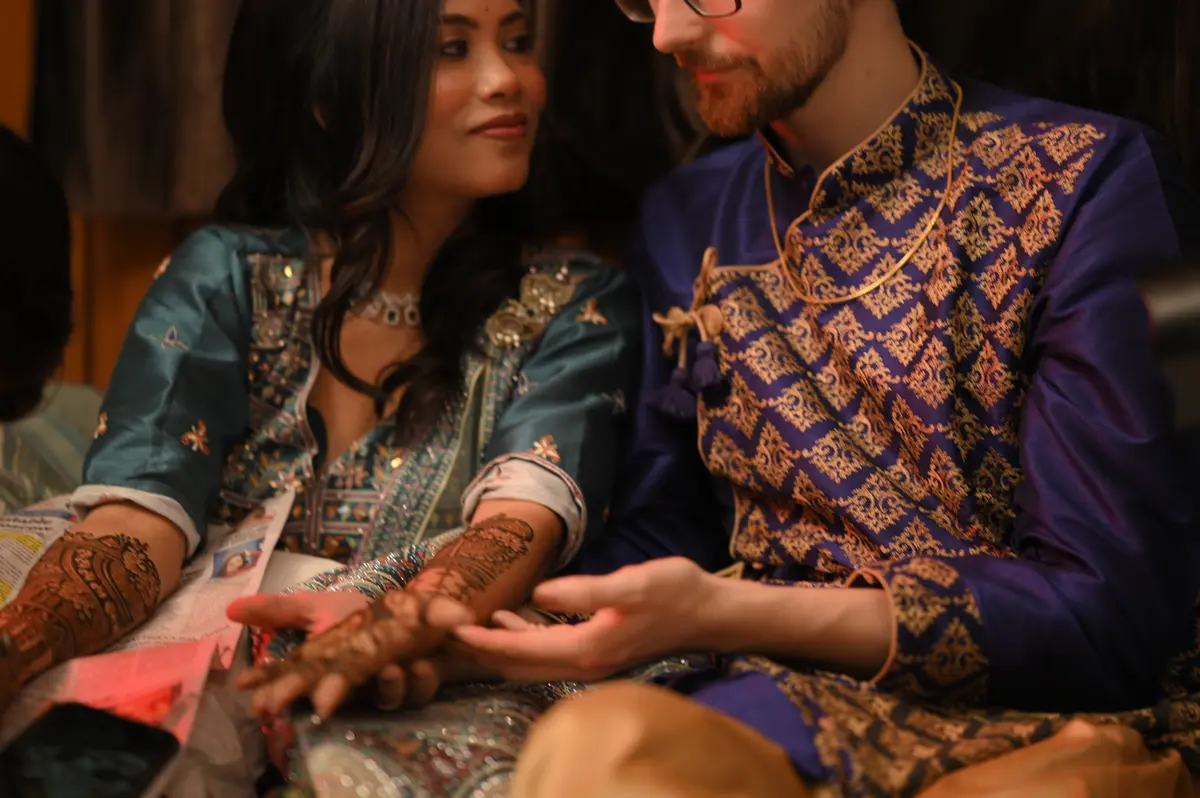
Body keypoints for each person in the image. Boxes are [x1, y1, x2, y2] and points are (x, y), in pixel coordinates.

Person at [439, 0, 1200, 795]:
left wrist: (725, 612)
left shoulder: (1108, 181)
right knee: (601, 751)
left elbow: (1117, 614)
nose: (668, 34)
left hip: (1080, 726)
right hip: (782, 715)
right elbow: (664, 531)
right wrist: (464, 621)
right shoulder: (686, 218)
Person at [0, 0, 651, 734]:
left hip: (438, 682)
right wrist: (18, 645)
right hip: (209, 676)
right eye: (451, 49)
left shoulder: (571, 303)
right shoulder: (227, 276)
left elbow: (523, 522)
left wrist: (389, 629)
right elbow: (139, 512)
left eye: (519, 40)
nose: (508, 80)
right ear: (331, 97)